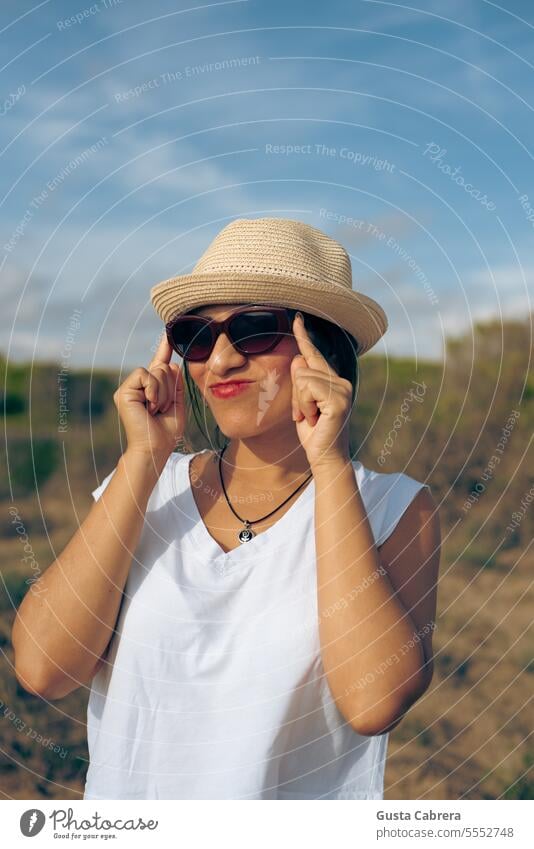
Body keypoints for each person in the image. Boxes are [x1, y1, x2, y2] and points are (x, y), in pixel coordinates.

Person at [12, 217, 441, 800]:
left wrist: (331, 466)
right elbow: (43, 669)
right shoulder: (145, 484)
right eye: (195, 336)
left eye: (256, 330)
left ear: (327, 348)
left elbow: (374, 703)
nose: (219, 362)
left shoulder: (393, 507)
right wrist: (143, 456)